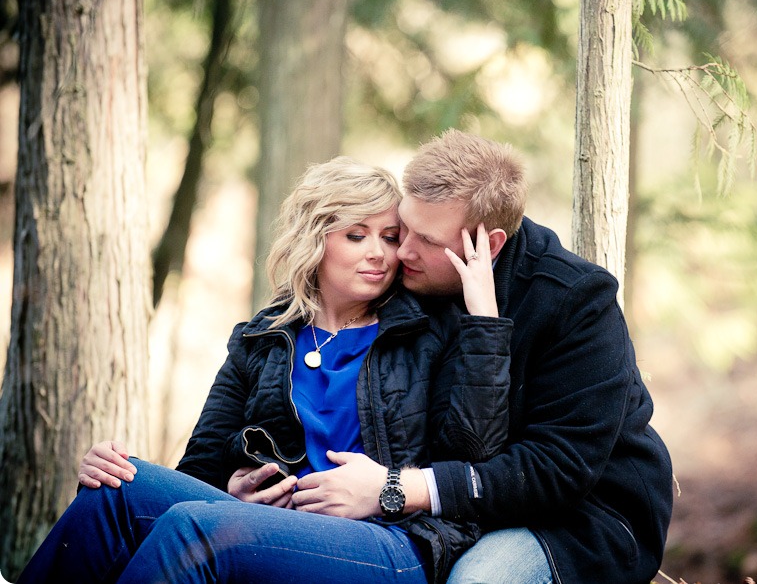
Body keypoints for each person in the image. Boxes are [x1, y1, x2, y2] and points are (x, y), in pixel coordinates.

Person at [17, 156, 513, 584]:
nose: (379, 253)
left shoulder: (425, 330)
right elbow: (201, 468)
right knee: (117, 491)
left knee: (196, 529)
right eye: (356, 235)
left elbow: (473, 455)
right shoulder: (263, 339)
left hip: (392, 541)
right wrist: (232, 493)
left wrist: (484, 322)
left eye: (390, 237)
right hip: (279, 530)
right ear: (315, 239)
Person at [293, 130, 674, 583]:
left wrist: (396, 487)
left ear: (489, 244)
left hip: (577, 520)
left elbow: (558, 471)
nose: (403, 252)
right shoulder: (415, 275)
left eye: (427, 241)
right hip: (448, 517)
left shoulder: (576, 301)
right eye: (403, 229)